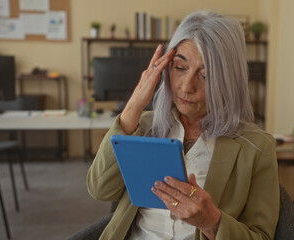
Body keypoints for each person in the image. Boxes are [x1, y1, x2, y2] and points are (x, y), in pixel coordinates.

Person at [87, 11, 279, 240]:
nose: (187, 87)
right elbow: (99, 189)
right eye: (179, 68)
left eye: (206, 75)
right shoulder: (143, 127)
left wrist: (212, 223)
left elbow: (262, 237)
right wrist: (134, 105)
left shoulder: (256, 147)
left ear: (229, 81)